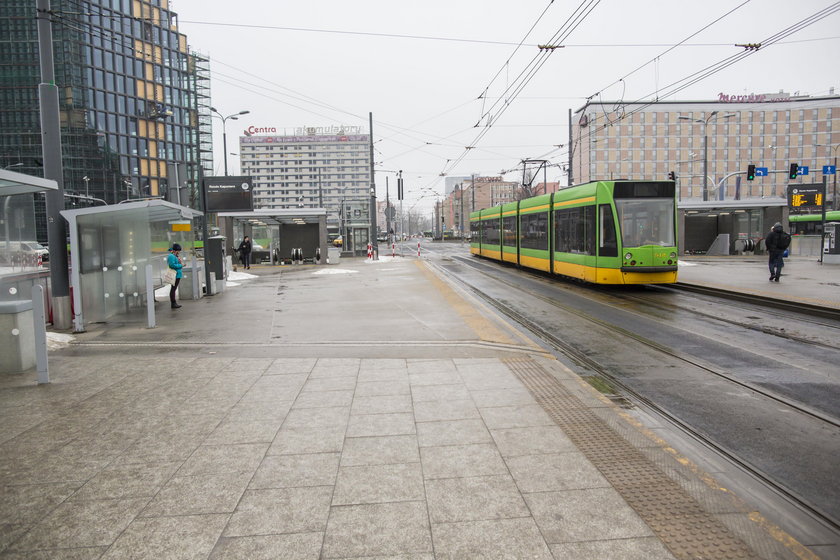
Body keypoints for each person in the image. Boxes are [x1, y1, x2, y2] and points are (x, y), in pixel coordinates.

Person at [167, 243, 184, 308]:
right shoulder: (171, 256)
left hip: (177, 274)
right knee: (173, 289)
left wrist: (179, 261)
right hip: (174, 275)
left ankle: (174, 303)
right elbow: (172, 265)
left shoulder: (174, 256)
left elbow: (175, 263)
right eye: (178, 251)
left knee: (174, 288)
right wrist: (181, 265)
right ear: (174, 250)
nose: (179, 252)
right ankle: (173, 303)